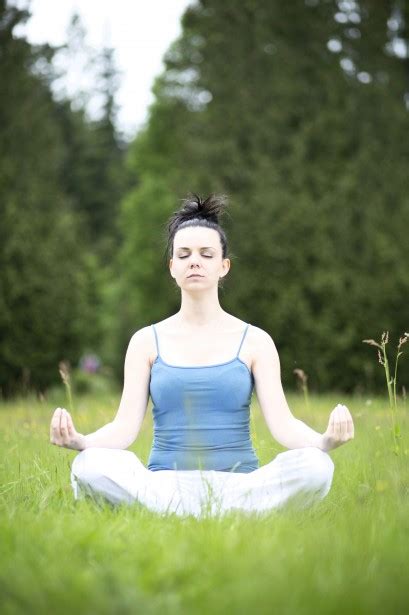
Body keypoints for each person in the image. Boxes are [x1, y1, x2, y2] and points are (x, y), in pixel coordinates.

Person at [49, 194, 354, 518]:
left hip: (241, 487)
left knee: (317, 465)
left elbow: (283, 425)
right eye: (184, 255)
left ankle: (209, 512)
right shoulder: (145, 342)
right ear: (172, 267)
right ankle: (203, 513)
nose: (194, 261)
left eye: (206, 254)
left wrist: (324, 442)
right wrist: (82, 441)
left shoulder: (255, 341)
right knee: (90, 464)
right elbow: (124, 428)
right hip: (164, 487)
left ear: (224, 266)